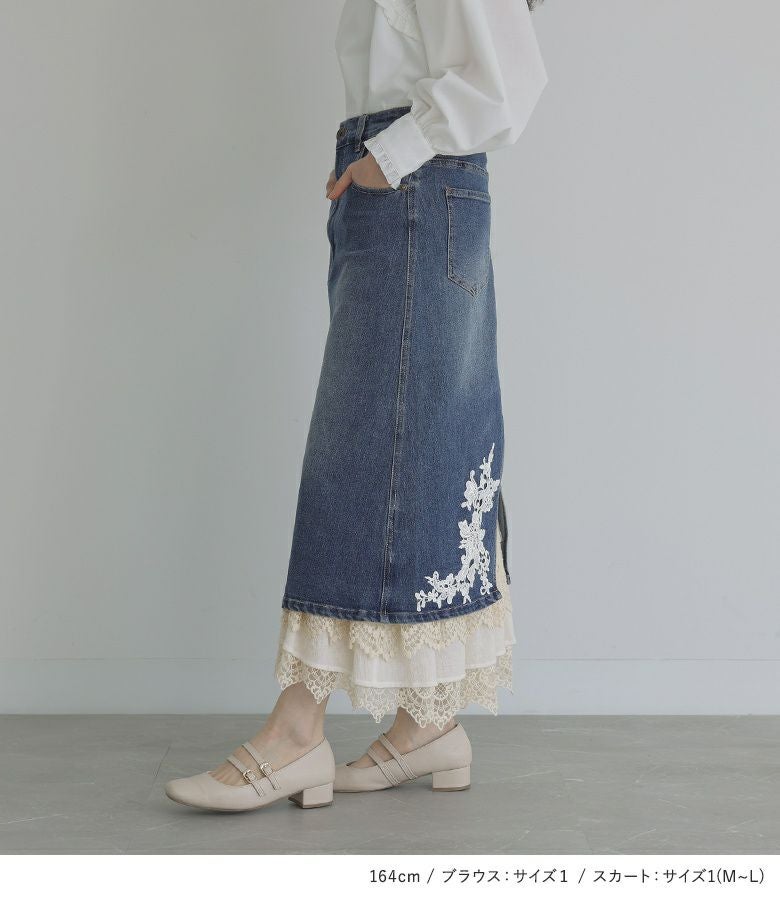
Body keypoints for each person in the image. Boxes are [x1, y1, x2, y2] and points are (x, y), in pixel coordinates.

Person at [165, 0, 548, 812]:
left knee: (361, 453)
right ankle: (429, 722)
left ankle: (297, 732)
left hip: (413, 183)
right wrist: (375, 164)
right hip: (404, 184)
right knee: (427, 446)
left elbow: (509, 81)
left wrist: (389, 156)